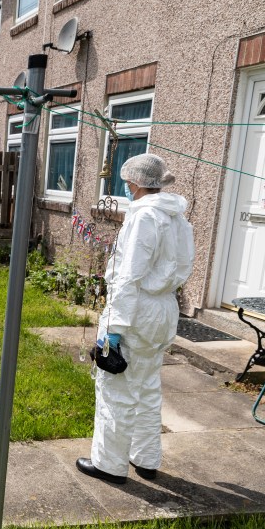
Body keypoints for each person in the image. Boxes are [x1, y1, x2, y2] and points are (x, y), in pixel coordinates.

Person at [76, 153, 195, 484]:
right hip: (163, 309)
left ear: (134, 184)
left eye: (127, 184)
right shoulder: (177, 219)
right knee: (146, 386)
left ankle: (109, 465)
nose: (126, 188)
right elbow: (183, 268)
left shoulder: (143, 218)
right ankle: (145, 459)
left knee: (116, 389)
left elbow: (128, 276)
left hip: (136, 312)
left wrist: (112, 330)